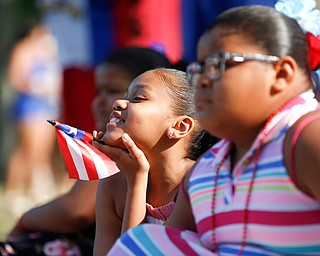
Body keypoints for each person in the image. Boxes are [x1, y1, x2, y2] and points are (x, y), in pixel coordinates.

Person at [108, 5, 320, 255]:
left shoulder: (305, 137)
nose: (202, 80)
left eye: (217, 64)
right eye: (199, 69)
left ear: (281, 74)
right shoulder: (206, 170)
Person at [1, 47, 172, 256]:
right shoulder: (112, 155)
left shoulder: (120, 159)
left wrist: (24, 220)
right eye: (98, 91)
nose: (100, 102)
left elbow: (75, 210)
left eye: (114, 91)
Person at [92, 68, 218, 255]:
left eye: (138, 98)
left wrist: (136, 181)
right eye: (126, 96)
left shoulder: (200, 181)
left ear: (179, 126)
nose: (118, 103)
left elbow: (138, 252)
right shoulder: (113, 184)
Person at [5, 23, 62, 215]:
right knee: (26, 150)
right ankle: (12, 192)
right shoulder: (23, 49)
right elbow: (16, 78)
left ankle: (31, 190)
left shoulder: (46, 51)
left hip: (47, 106)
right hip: (30, 106)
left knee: (41, 152)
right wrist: (37, 87)